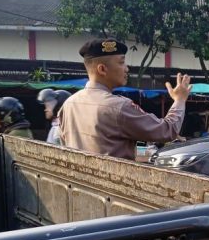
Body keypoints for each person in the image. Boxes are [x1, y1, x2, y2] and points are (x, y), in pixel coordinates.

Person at [59, 38, 191, 160]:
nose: (126, 68)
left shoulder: (68, 104)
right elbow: (167, 131)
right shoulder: (118, 107)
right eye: (121, 62)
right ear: (102, 69)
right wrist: (179, 100)